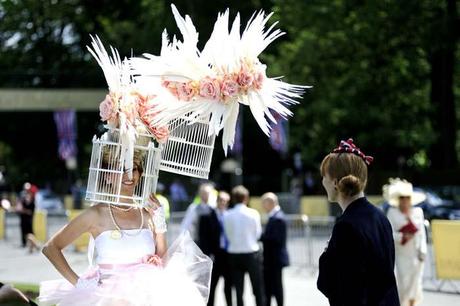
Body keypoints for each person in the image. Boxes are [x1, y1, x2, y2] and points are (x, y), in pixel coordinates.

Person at [38, 150, 212, 306]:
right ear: (107, 176)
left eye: (134, 169)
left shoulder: (147, 213)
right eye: (121, 169)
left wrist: (160, 223)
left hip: (148, 296)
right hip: (106, 298)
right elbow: (51, 248)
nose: (129, 175)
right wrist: (80, 283)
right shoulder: (95, 214)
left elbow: (162, 260)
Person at [317, 138, 399, 306]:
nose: (322, 181)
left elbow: (340, 288)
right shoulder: (380, 217)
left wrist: (326, 255)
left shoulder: (346, 226)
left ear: (334, 182)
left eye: (323, 176)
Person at [385, 178, 427, 306]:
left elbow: (421, 233)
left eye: (407, 197)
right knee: (403, 282)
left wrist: (423, 250)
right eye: (402, 198)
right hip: (401, 254)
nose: (404, 200)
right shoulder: (392, 212)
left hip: (416, 254)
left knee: (416, 284)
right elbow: (388, 234)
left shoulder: (418, 212)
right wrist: (402, 236)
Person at [224, 185, 265, 306]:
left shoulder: (227, 214)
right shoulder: (253, 213)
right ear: (246, 198)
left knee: (238, 290)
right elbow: (258, 234)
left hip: (234, 253)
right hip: (251, 253)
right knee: (257, 288)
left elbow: (227, 234)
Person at [260, 192, 289, 306]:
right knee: (270, 286)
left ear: (271, 203)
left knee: (277, 287)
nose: (262, 206)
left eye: (264, 203)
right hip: (271, 259)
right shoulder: (274, 216)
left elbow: (275, 239)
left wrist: (260, 236)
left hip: (275, 259)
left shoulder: (278, 218)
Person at [208, 191, 232, 306]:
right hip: (215, 255)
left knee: (228, 286)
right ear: (217, 201)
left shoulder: (230, 215)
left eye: (226, 201)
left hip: (228, 254)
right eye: (221, 200)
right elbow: (205, 237)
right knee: (212, 286)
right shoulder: (209, 215)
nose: (223, 203)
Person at [16, 183, 36, 248]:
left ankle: (34, 245)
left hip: (29, 218)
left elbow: (30, 211)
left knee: (30, 232)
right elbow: (19, 207)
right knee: (24, 232)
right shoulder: (22, 196)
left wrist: (23, 210)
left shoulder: (32, 197)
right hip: (23, 218)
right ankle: (26, 244)